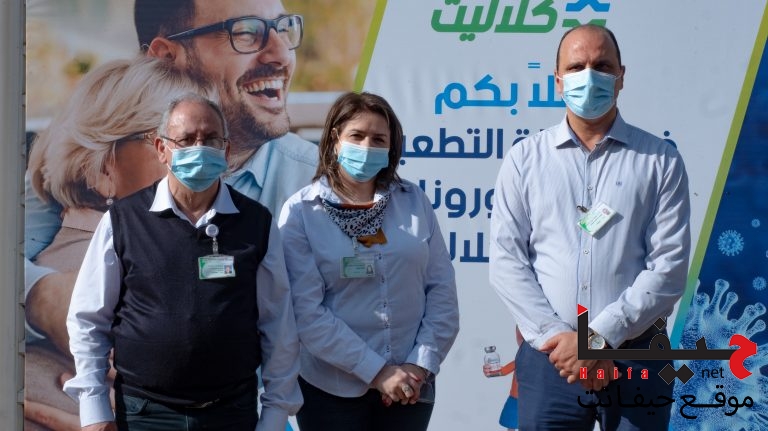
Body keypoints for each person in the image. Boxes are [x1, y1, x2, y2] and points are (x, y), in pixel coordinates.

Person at [489, 24, 690, 430]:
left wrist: (596, 340)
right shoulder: (524, 160)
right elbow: (507, 263)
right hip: (551, 359)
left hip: (636, 355)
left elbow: (668, 269)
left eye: (602, 66)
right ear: (557, 81)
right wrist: (564, 342)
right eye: (576, 67)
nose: (589, 76)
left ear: (621, 77)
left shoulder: (660, 161)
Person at [63, 93, 302, 431]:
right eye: (187, 140)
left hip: (231, 413)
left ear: (226, 151)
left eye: (211, 139)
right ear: (162, 149)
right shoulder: (123, 221)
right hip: (145, 414)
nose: (199, 148)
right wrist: (94, 410)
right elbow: (89, 319)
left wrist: (276, 415)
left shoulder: (256, 223)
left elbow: (278, 326)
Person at [277, 91, 460, 431]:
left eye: (378, 139)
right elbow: (305, 312)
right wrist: (377, 372)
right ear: (335, 140)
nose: (366, 147)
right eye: (357, 136)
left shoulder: (414, 201)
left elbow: (441, 291)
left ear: (391, 147)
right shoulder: (302, 212)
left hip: (410, 386)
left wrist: (419, 366)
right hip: (330, 389)